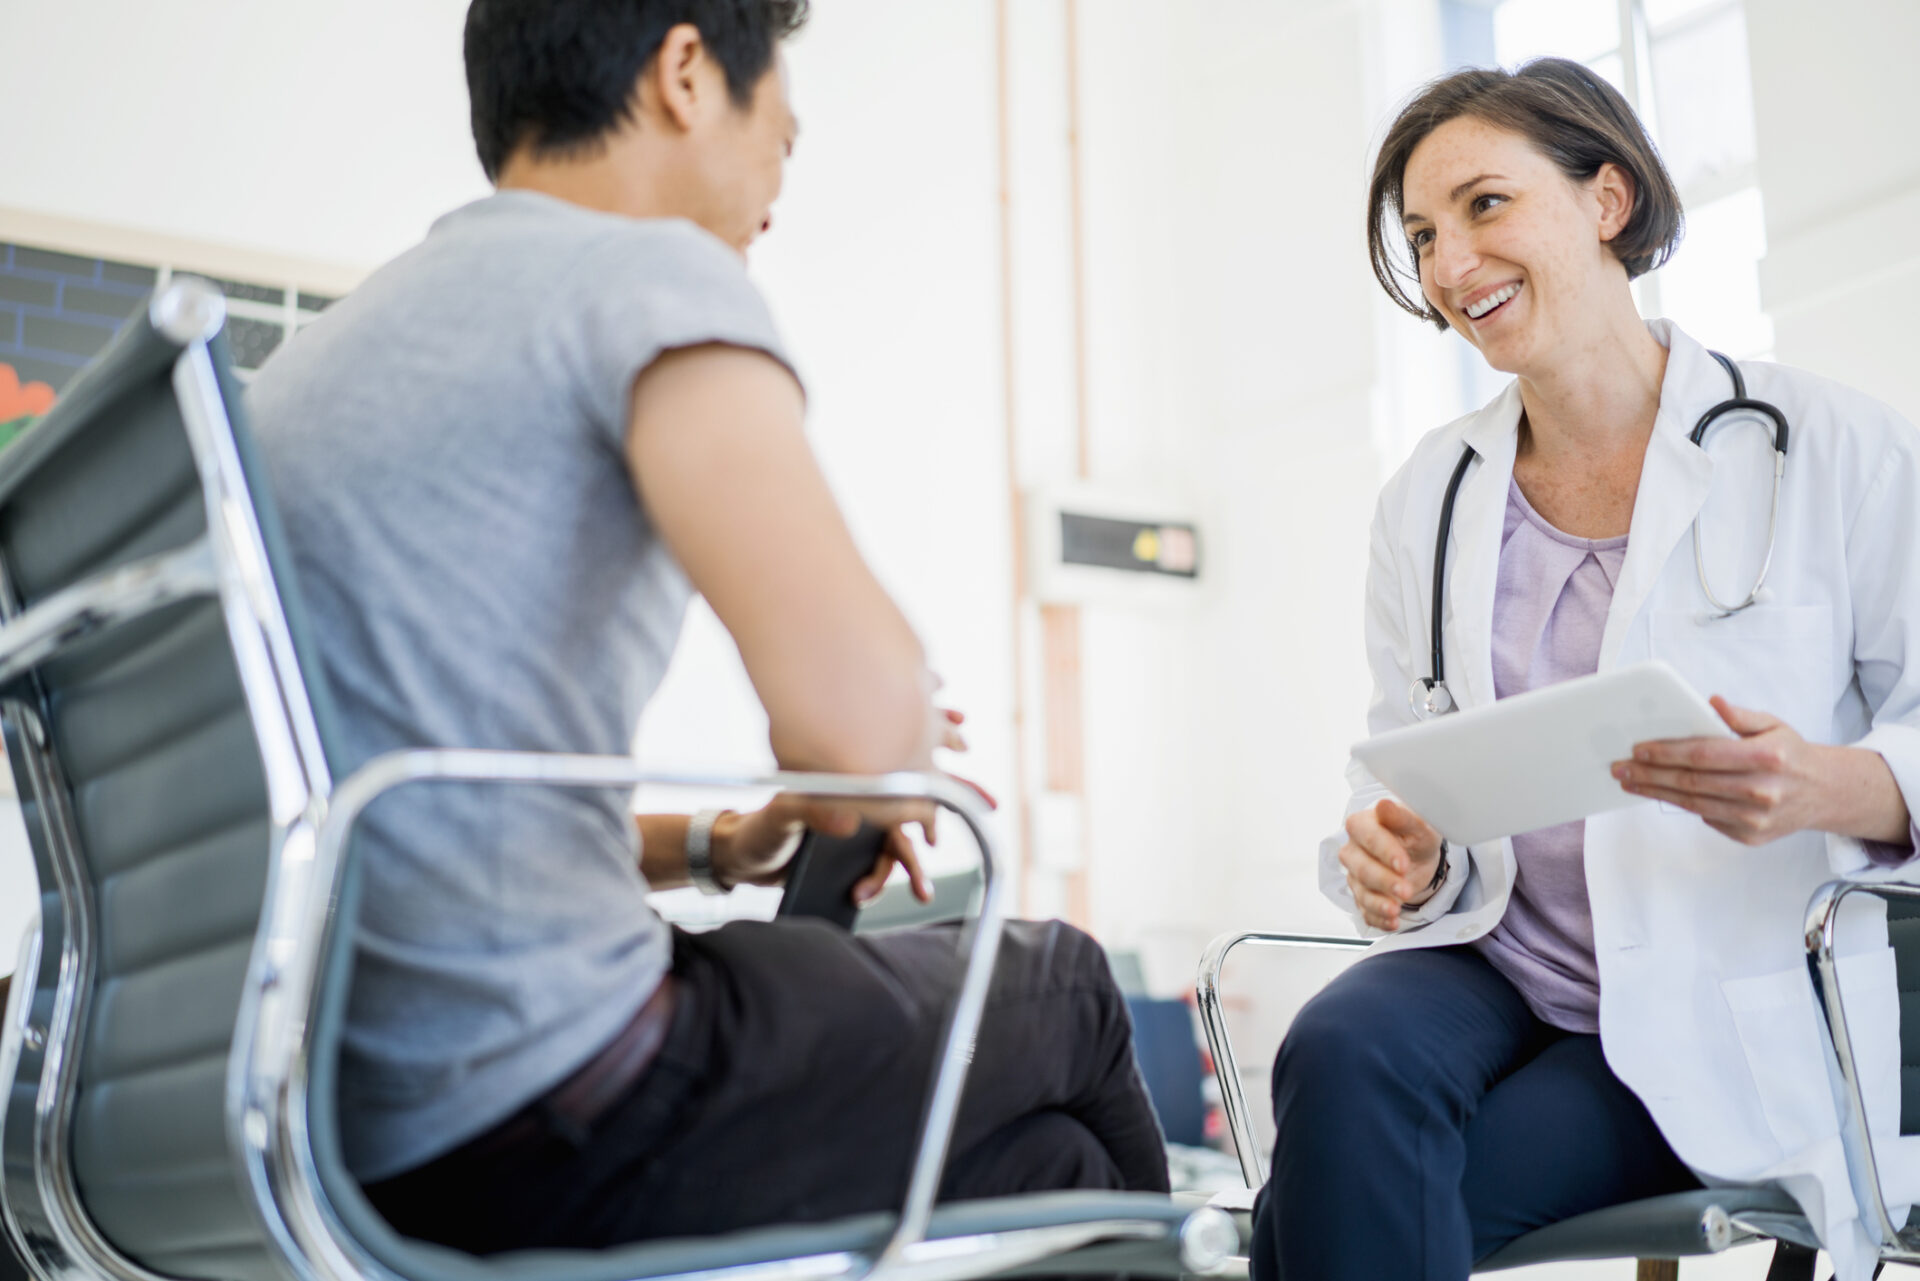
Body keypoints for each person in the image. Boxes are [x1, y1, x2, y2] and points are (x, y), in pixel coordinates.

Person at [247, 0, 1168, 1253]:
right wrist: (878, 725)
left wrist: (731, 842)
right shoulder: (644, 272)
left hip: (334, 1123)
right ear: (686, 72)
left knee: (1044, 1165)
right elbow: (863, 729)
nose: (773, 192)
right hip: (559, 1103)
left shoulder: (311, 364)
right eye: (780, 139)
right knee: (1065, 986)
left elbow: (417, 813)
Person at [1249, 58, 1920, 1281]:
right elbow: (1399, 744)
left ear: (1607, 201)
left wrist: (1825, 786)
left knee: (1322, 1215)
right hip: (1500, 963)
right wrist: (1392, 846)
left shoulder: (1833, 451)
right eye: (1422, 235)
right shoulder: (1431, 500)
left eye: (1485, 206)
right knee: (1336, 1051)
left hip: (1707, 1003)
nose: (1452, 266)